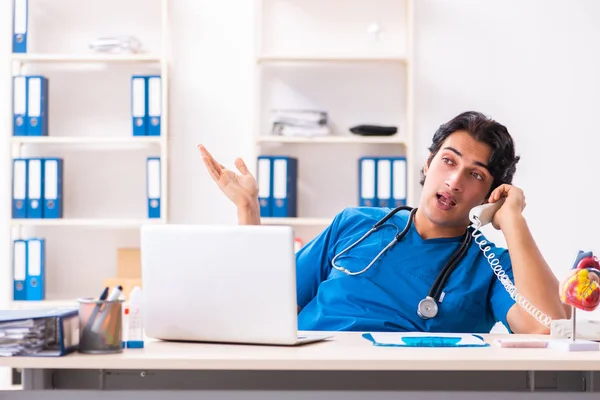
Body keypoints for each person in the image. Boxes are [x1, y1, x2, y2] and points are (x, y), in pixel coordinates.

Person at [198, 111, 569, 334]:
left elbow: (547, 327)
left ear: (493, 193)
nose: (454, 181)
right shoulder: (355, 224)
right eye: (449, 161)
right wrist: (249, 211)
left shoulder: (490, 267)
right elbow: (269, 305)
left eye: (476, 175)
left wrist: (513, 218)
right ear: (427, 164)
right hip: (303, 372)